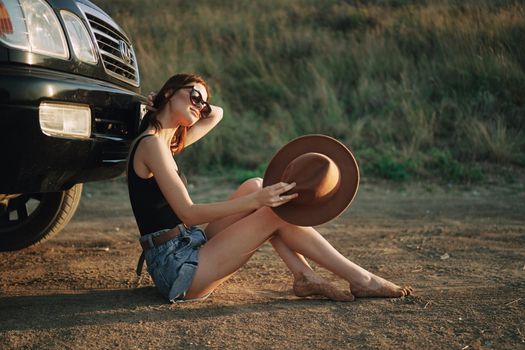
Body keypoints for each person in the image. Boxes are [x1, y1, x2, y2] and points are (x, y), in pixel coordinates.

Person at [126, 73, 413, 303]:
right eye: (194, 96)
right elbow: (189, 213)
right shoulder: (153, 145)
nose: (200, 106)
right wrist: (257, 201)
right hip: (176, 269)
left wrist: (197, 103)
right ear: (167, 93)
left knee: (256, 185)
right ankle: (361, 280)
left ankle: (304, 276)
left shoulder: (166, 142)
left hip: (187, 246)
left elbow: (218, 114)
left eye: (202, 102)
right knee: (272, 210)